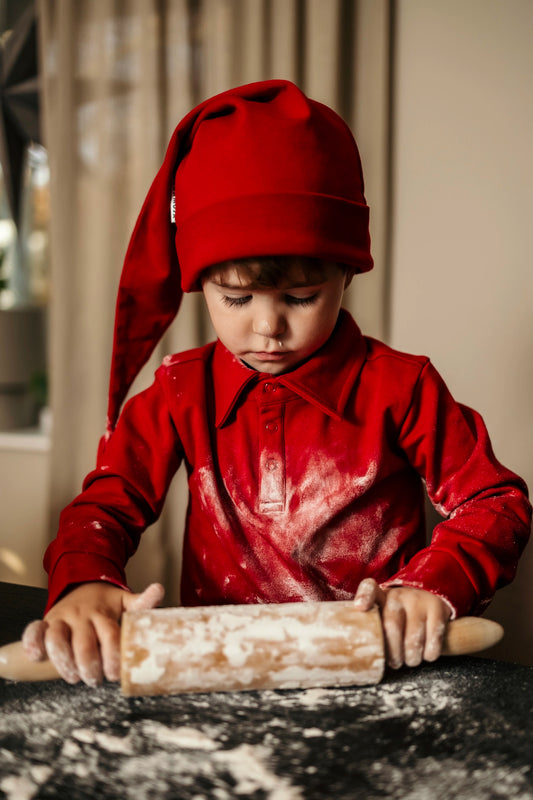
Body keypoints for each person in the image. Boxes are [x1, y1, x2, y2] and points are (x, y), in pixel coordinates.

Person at [22, 80, 531, 687]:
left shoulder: (402, 387)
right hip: (219, 676)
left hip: (381, 674)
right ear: (199, 283)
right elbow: (106, 505)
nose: (267, 326)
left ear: (346, 272)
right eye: (235, 297)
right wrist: (85, 581)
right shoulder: (182, 392)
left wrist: (431, 585)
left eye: (300, 297)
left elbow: (495, 504)